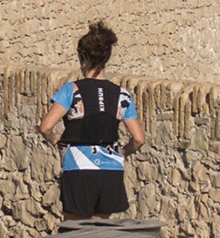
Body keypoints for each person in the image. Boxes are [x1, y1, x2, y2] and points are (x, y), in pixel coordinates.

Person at [36, 20, 146, 225]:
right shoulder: (122, 95)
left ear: (83, 57)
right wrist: (122, 152)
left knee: (73, 233)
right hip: (110, 171)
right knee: (99, 234)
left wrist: (54, 139)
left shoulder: (71, 90)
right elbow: (139, 139)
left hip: (78, 170)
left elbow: (45, 126)